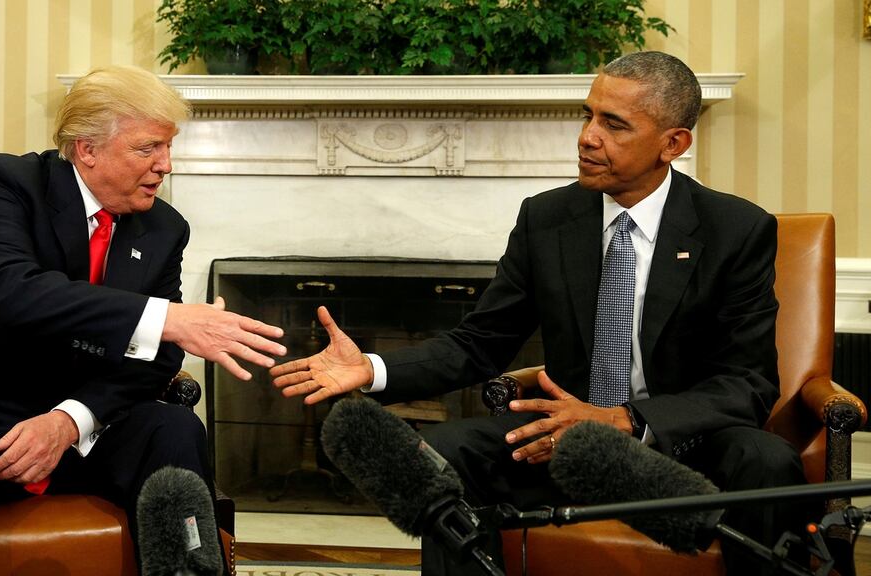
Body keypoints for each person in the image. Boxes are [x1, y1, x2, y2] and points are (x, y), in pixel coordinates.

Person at [270, 51, 808, 576]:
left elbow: (747, 384)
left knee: (766, 461)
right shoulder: (547, 218)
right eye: (588, 115)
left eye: (613, 124)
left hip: (683, 445)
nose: (587, 137)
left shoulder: (734, 230)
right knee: (446, 451)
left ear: (673, 143)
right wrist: (373, 368)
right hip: (563, 441)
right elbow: (479, 342)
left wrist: (626, 420)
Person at [0, 65, 286, 575]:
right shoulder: (1, 183)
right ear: (88, 149)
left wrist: (70, 421)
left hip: (84, 427)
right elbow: (14, 293)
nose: (166, 166)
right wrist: (165, 317)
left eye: (168, 148)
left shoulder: (163, 227)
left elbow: (157, 358)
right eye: (148, 148)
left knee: (174, 427)